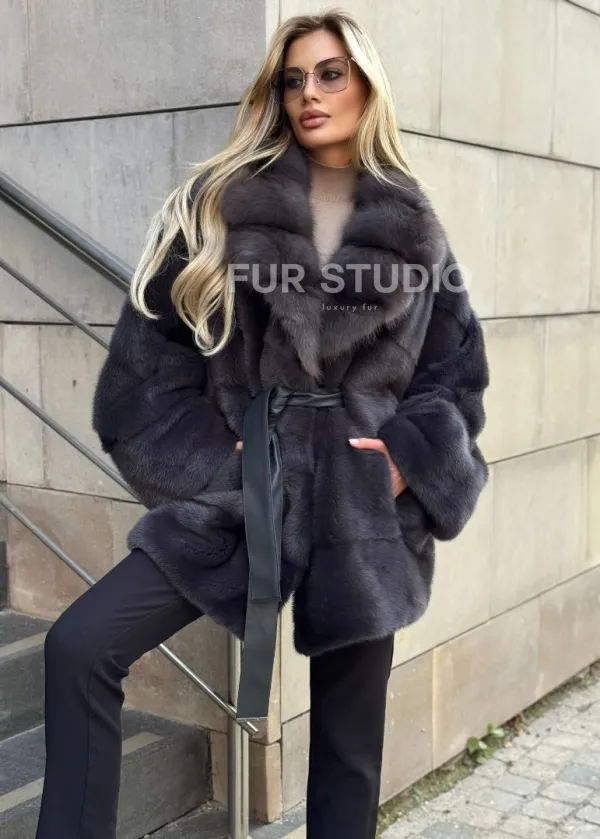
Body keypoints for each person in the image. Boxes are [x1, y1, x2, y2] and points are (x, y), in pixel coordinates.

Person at [34, 8, 489, 839]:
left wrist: (405, 465)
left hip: (361, 506)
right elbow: (142, 381)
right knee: (79, 646)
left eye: (330, 74)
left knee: (348, 754)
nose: (310, 92)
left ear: (365, 86)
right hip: (245, 492)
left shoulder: (414, 227)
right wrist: (222, 466)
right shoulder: (216, 209)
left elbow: (455, 380)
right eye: (293, 79)